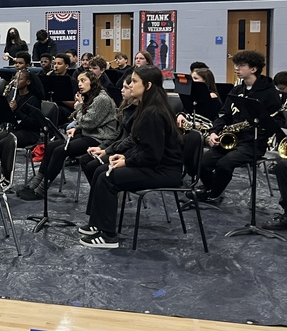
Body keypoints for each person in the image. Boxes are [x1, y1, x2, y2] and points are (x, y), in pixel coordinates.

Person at [79, 66, 183, 248]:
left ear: (148, 85)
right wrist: (120, 155)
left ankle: (109, 236)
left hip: (164, 171)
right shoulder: (146, 107)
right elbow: (139, 143)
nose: (130, 85)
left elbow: (152, 155)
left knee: (107, 178)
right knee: (101, 170)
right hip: (155, 165)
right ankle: (97, 223)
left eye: (135, 82)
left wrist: (127, 161)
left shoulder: (153, 113)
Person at [194, 50, 283, 204]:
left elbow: (278, 121)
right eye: (235, 65)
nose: (236, 68)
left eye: (241, 65)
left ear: (253, 69)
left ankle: (213, 194)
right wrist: (215, 132)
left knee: (224, 164)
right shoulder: (237, 90)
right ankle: (212, 189)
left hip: (253, 142)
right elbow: (224, 114)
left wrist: (259, 123)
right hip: (232, 139)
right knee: (203, 162)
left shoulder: (269, 93)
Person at [19, 70, 117, 200]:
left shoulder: (101, 99)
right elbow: (85, 121)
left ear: (92, 82)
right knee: (50, 146)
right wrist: (76, 127)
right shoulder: (91, 96)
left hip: (100, 138)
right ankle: (36, 183)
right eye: (78, 82)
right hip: (88, 133)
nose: (80, 85)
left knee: (60, 151)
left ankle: (42, 189)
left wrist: (79, 106)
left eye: (83, 81)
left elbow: (88, 122)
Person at [0, 68, 42, 189]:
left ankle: (6, 176)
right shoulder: (15, 96)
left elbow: (34, 123)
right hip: (16, 130)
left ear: (28, 82)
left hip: (30, 133)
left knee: (5, 142)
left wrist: (16, 111)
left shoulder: (33, 99)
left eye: (19, 79)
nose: (15, 81)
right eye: (15, 78)